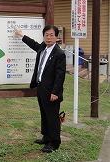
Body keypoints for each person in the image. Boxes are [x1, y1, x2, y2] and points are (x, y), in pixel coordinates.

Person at [15, 24, 66, 153]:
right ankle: (46, 136)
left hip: (52, 91)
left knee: (53, 117)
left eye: (51, 35)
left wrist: (55, 92)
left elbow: (60, 76)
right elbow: (33, 44)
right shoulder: (43, 47)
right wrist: (21, 35)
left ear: (56, 37)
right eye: (46, 35)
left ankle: (54, 143)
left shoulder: (59, 54)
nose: (48, 38)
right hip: (41, 87)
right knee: (44, 113)